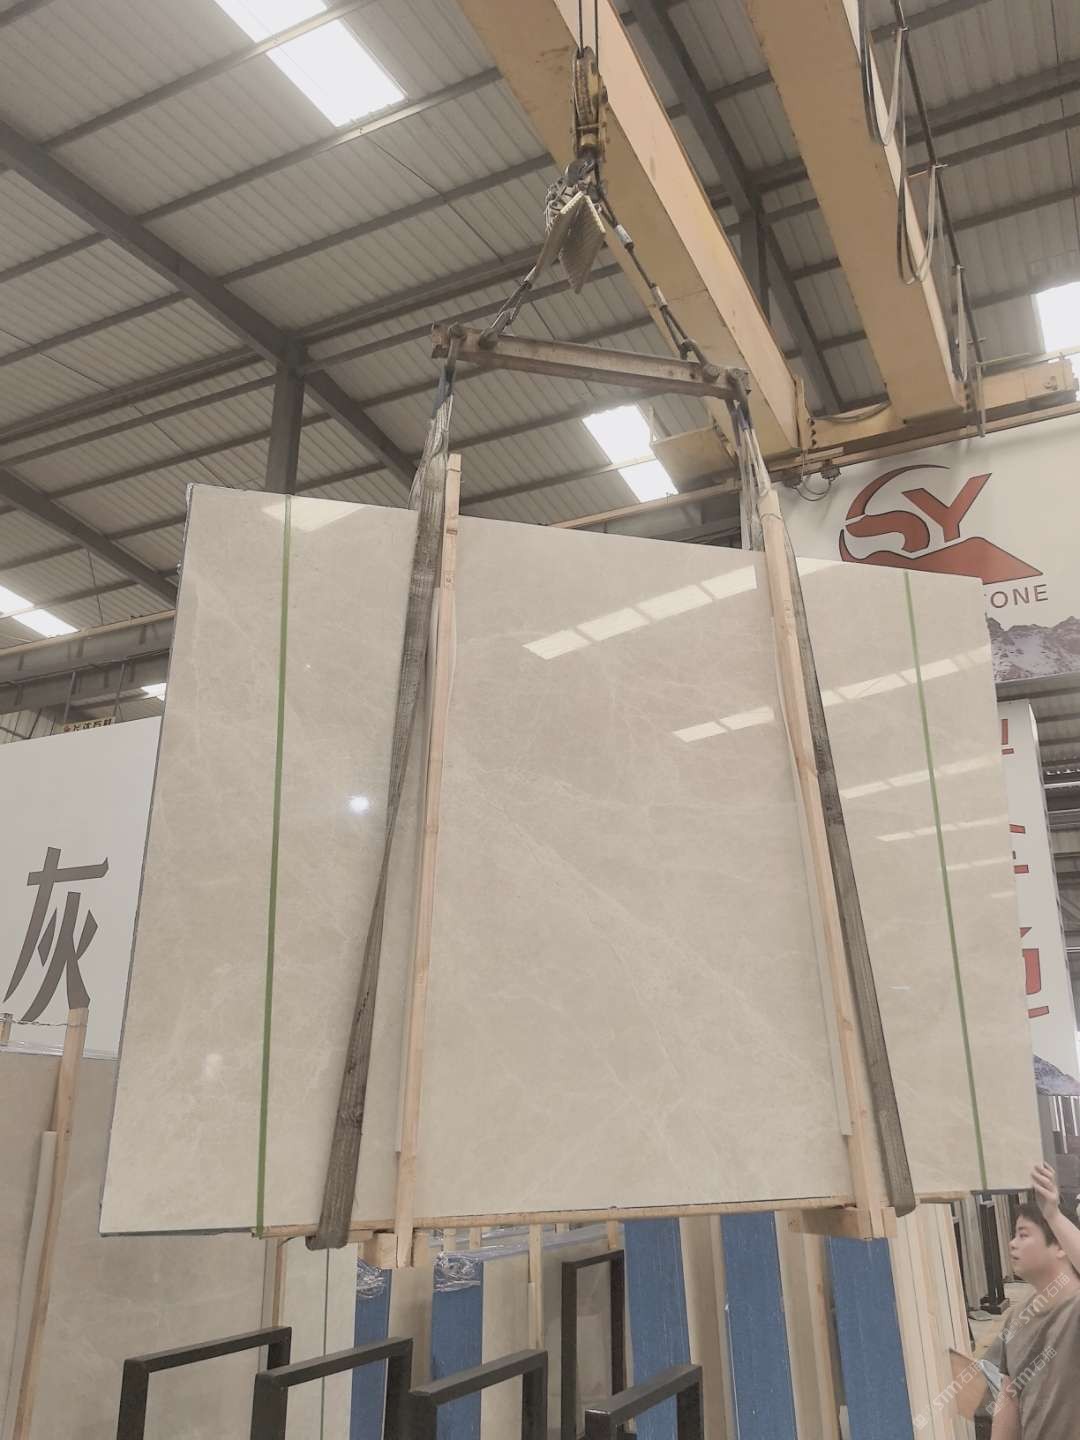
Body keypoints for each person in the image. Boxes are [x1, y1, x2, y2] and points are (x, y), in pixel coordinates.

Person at [990, 1163, 1080, 1438]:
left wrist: (1053, 1214)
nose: (1012, 1243)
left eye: (1023, 1234)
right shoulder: (1017, 1318)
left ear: (1060, 1246)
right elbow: (1009, 1399)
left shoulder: (1075, 1308)